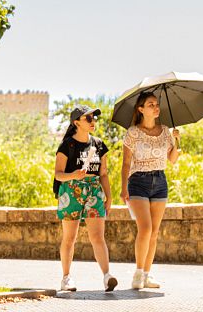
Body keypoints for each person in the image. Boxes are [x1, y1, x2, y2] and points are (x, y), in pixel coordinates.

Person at [120, 92, 181, 289]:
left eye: (157, 104)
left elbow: (171, 160)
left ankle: (147, 275)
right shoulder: (133, 133)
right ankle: (138, 274)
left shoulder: (165, 131)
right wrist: (123, 188)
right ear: (141, 109)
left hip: (160, 181)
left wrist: (176, 140)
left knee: (154, 232)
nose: (156, 107)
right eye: (151, 104)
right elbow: (126, 163)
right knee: (145, 228)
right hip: (138, 181)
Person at [55, 105, 117, 292]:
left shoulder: (99, 144)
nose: (93, 121)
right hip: (71, 191)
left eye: (94, 118)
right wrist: (73, 174)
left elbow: (103, 173)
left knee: (98, 236)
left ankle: (107, 276)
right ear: (76, 123)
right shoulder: (67, 145)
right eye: (88, 119)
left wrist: (109, 196)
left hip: (94, 190)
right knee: (70, 237)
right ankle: (66, 278)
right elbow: (58, 174)